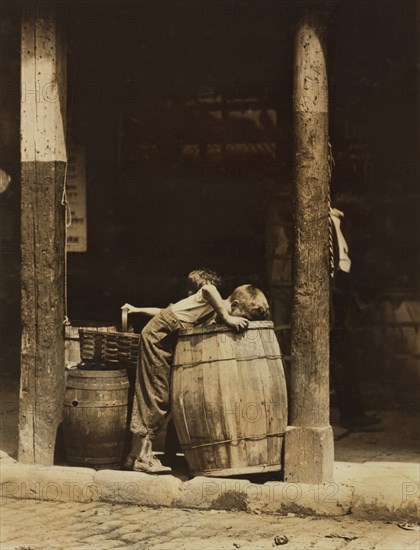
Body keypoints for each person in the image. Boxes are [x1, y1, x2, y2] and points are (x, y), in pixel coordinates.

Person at [122, 279, 270, 473]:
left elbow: (165, 312)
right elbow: (208, 288)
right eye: (241, 317)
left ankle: (134, 454)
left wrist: (138, 310)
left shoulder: (203, 310)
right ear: (234, 305)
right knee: (157, 393)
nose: (237, 323)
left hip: (163, 338)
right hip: (158, 340)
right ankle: (143, 457)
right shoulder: (212, 300)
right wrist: (227, 317)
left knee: (158, 393)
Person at [330, 207, 381, 430]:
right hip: (328, 295)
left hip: (339, 291)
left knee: (345, 351)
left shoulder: (336, 222)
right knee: (341, 352)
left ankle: (353, 412)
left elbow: (344, 262)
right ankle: (351, 413)